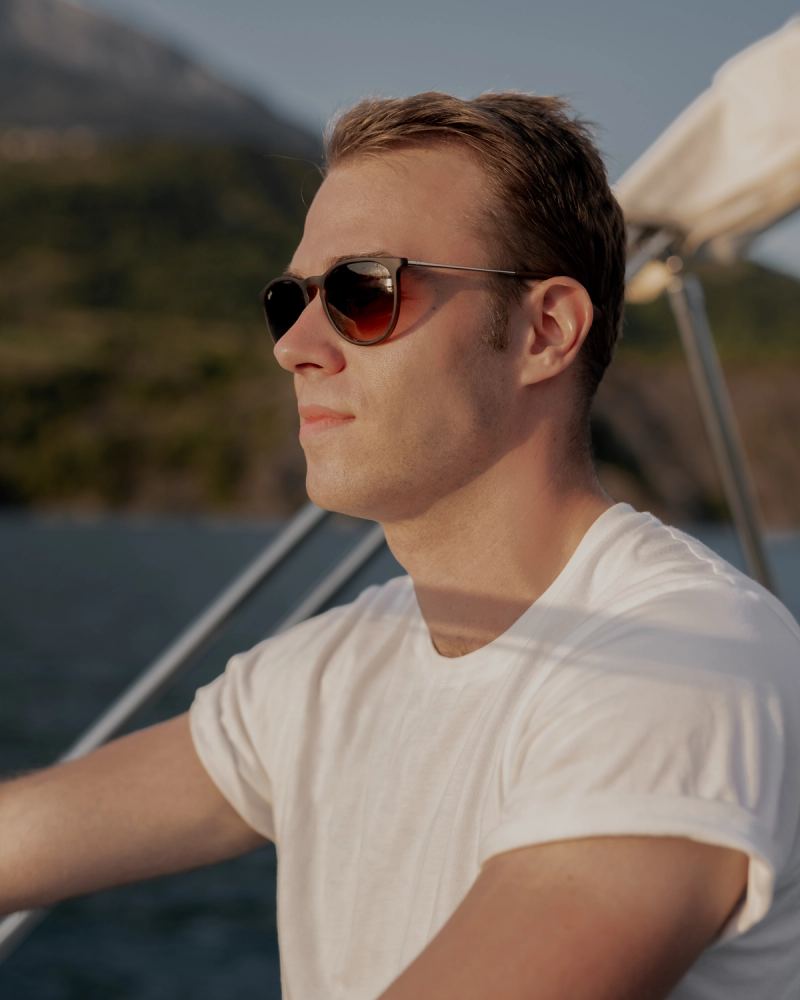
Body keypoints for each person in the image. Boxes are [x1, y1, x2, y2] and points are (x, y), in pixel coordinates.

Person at [2, 92, 799, 1000]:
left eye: (362, 290)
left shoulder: (684, 672)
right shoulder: (334, 670)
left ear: (545, 331)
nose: (294, 346)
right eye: (289, 299)